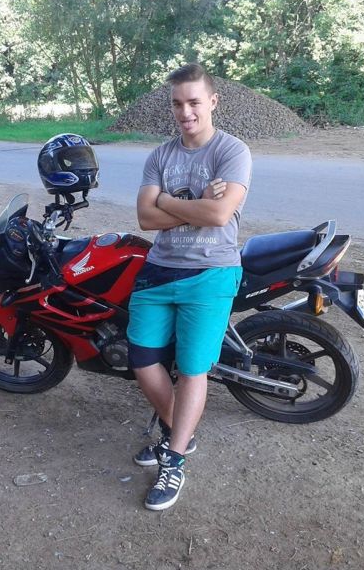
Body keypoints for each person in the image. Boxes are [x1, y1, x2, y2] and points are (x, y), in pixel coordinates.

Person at [127, 63, 252, 511]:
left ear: (212, 102)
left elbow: (219, 216)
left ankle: (174, 457)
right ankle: (180, 431)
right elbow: (145, 218)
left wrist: (167, 200)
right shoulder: (159, 156)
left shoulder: (232, 151)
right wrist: (195, 203)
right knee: (143, 361)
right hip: (159, 270)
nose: (186, 112)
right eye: (178, 104)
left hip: (210, 273)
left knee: (192, 369)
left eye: (194, 102)